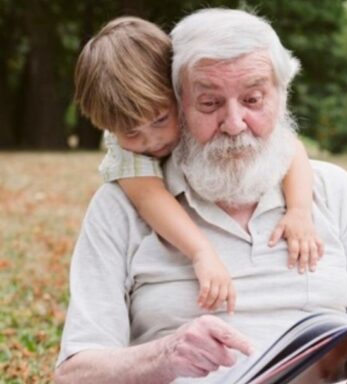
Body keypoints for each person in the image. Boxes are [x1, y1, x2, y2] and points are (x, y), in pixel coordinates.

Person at [54, 8, 347, 384]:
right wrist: (166, 356)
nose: (235, 123)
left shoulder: (332, 189)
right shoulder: (122, 204)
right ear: (178, 100)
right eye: (210, 103)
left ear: (281, 97)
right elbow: (76, 380)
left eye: (254, 99)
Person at [73, 16, 324, 314]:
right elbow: (150, 198)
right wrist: (201, 252)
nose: (151, 141)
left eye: (161, 120)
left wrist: (299, 210)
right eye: (131, 133)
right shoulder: (126, 155)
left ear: (176, 93)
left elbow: (290, 148)